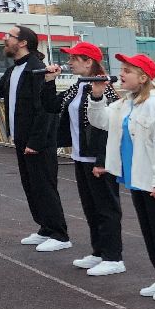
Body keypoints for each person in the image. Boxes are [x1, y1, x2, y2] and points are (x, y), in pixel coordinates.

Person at [93, 53, 155, 301]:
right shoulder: (126, 103)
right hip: (136, 178)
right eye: (122, 69)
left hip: (154, 181)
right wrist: (97, 96)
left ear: (143, 77)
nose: (122, 74)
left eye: (128, 70)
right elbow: (100, 121)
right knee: (150, 231)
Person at [0, 24, 71, 251]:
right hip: (21, 138)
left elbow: (45, 110)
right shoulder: (14, 70)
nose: (4, 39)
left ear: (22, 42)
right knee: (31, 186)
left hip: (38, 141)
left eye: (9, 36)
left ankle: (60, 234)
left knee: (44, 187)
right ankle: (45, 228)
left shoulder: (37, 69)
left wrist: (35, 142)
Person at [41, 43, 122, 275]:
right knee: (91, 208)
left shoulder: (105, 88)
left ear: (89, 62)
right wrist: (49, 81)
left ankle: (113, 257)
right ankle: (99, 252)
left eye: (74, 58)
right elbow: (51, 106)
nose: (69, 62)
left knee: (106, 208)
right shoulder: (78, 86)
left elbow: (110, 128)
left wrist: (102, 161)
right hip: (81, 156)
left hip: (99, 159)